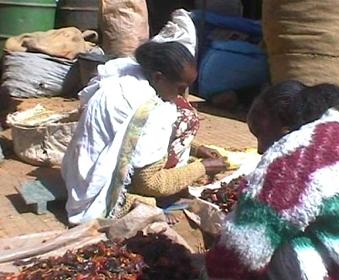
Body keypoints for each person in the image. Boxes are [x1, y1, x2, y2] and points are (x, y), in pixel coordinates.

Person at [205, 81, 339, 279]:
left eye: (260, 132)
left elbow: (240, 253)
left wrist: (199, 269)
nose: (261, 149)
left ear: (284, 124)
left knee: (280, 246)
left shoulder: (297, 151)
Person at [62, 41, 227, 225]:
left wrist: (195, 149)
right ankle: (127, 201)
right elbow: (149, 182)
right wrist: (203, 167)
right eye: (180, 88)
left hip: (80, 176)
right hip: (99, 194)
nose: (182, 94)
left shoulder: (126, 77)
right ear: (158, 78)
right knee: (186, 116)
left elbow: (130, 137)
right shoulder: (152, 110)